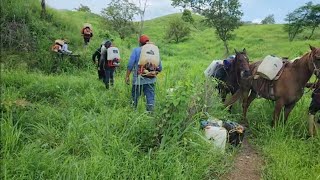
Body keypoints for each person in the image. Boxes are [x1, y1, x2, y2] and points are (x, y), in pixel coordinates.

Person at [125, 35, 162, 112]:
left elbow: (130, 64)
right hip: (151, 80)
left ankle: (132, 113)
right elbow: (160, 68)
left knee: (134, 98)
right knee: (150, 99)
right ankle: (151, 115)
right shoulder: (154, 51)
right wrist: (152, 73)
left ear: (140, 42)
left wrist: (127, 76)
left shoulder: (136, 50)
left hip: (138, 80)